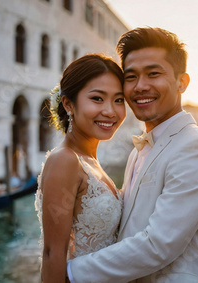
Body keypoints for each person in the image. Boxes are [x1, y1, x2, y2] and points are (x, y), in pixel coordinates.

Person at [67, 27, 198, 282]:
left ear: (182, 82)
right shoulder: (138, 152)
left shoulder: (197, 148)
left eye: (153, 74)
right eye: (131, 77)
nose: (141, 86)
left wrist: (70, 273)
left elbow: (158, 244)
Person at [34, 54, 126, 283]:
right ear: (68, 104)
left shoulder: (90, 162)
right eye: (97, 98)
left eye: (118, 99)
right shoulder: (64, 160)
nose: (110, 111)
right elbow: (52, 254)